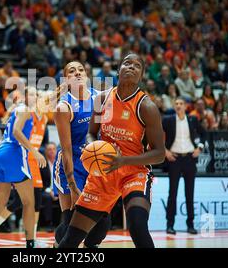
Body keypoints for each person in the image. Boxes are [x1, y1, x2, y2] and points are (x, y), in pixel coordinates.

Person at [58, 54, 165, 249]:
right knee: (69, 241)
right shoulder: (101, 98)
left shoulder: (147, 107)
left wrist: (122, 160)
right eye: (127, 63)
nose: (131, 67)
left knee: (137, 226)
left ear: (141, 75)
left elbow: (159, 154)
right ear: (118, 70)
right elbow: (91, 134)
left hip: (134, 172)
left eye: (137, 65)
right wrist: (94, 149)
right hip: (103, 172)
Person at [0, 87, 47, 248]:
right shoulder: (25, 110)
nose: (35, 97)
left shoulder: (17, 110)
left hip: (0, 155)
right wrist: (34, 151)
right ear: (24, 97)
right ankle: (31, 244)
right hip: (14, 155)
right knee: (29, 202)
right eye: (31, 94)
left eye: (36, 95)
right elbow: (16, 132)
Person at [53, 61, 111, 248]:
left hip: (94, 163)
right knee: (72, 221)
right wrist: (72, 186)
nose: (77, 73)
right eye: (72, 71)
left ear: (86, 75)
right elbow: (67, 149)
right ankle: (59, 245)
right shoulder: (64, 107)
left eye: (81, 70)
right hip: (71, 164)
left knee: (102, 223)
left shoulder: (99, 98)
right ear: (66, 80)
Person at [162, 97, 206, 235]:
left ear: (186, 106)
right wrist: (165, 151)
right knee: (172, 194)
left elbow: (204, 133)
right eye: (176, 104)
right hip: (174, 159)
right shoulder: (168, 120)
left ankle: (190, 225)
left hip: (189, 159)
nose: (178, 105)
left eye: (181, 104)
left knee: (190, 194)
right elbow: (156, 134)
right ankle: (170, 225)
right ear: (174, 106)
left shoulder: (192, 120)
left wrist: (199, 147)